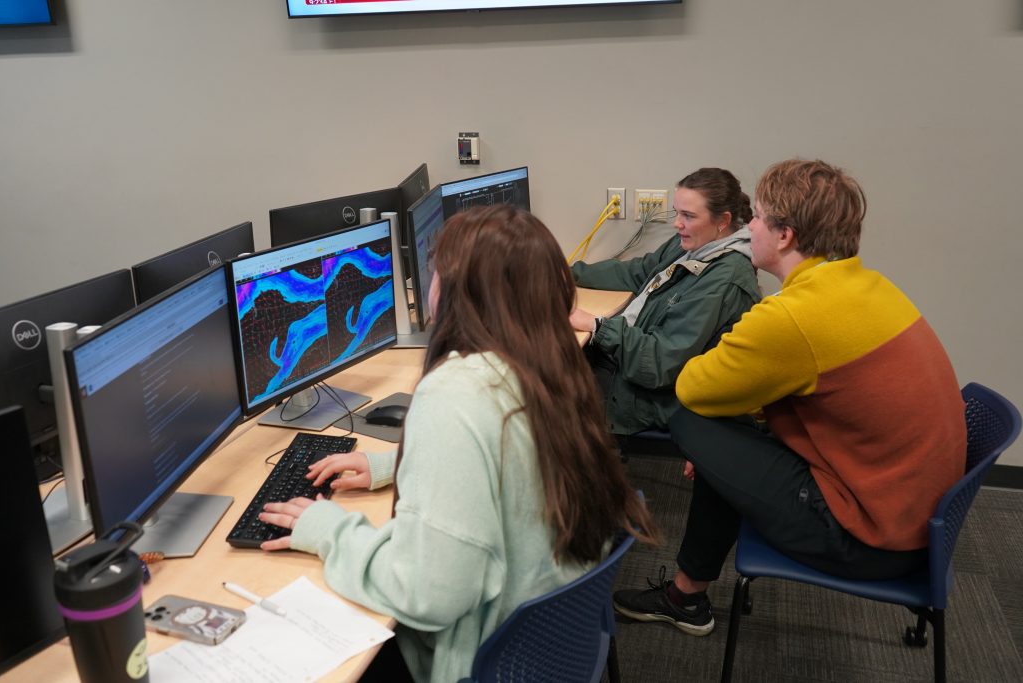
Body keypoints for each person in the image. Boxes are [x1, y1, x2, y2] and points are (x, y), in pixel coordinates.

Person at [259, 204, 655, 682]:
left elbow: (430, 595)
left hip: (476, 659)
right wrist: (394, 464)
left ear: (455, 293)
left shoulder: (454, 394)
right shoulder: (550, 367)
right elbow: (512, 453)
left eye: (434, 274)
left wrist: (328, 532)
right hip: (542, 653)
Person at [612, 159, 967, 636]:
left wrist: (716, 443)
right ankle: (686, 597)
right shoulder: (872, 287)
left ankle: (686, 598)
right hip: (910, 517)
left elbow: (690, 387)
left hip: (867, 538)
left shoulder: (792, 317)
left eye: (755, 216)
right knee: (726, 427)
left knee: (692, 415)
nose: (748, 226)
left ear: (784, 235)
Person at [569, 168, 761, 435]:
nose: (677, 224)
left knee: (543, 393)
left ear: (723, 220)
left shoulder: (723, 279)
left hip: (647, 392)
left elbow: (658, 364)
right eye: (677, 212)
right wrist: (568, 273)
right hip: (629, 356)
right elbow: (640, 271)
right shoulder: (696, 243)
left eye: (689, 216)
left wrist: (597, 326)